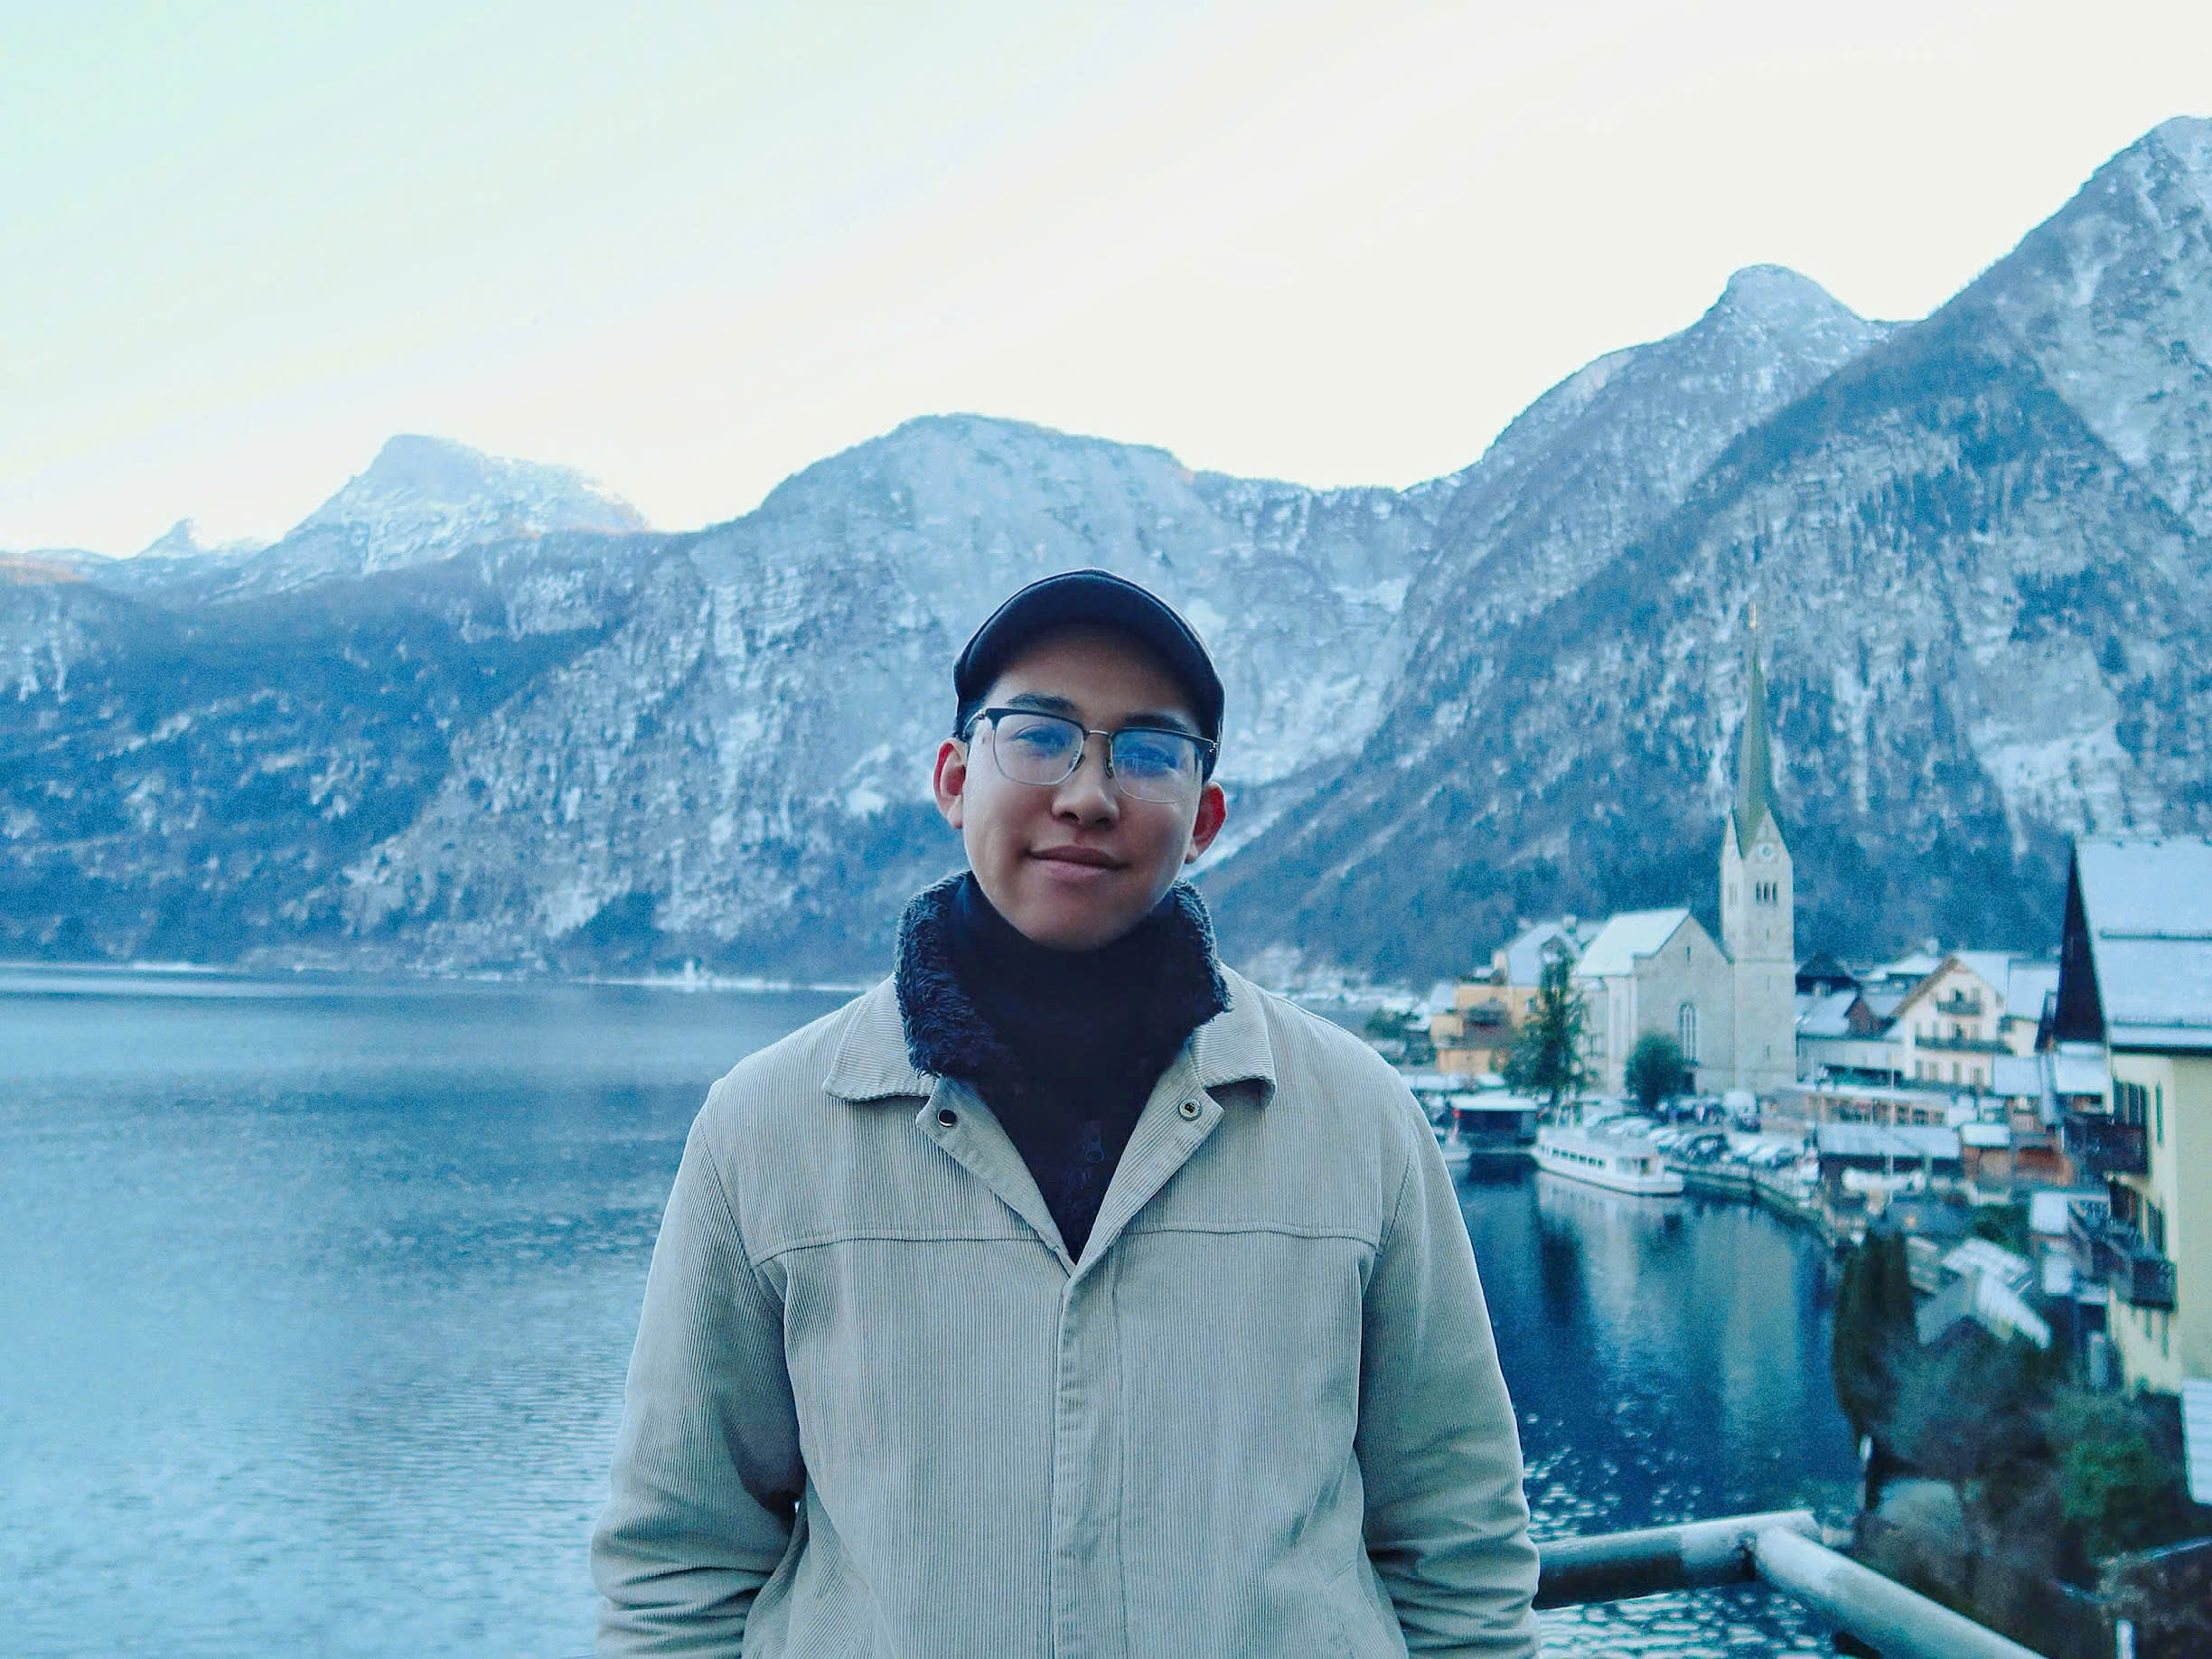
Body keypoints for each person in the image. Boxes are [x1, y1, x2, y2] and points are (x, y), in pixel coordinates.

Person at [592, 568, 1540, 1656]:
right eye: (1040, 737)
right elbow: (679, 1565)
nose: (1089, 794)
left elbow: (1459, 1548)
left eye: (1148, 752)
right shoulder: (766, 1129)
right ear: (954, 779)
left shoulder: (1358, 1119)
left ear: (1206, 818)